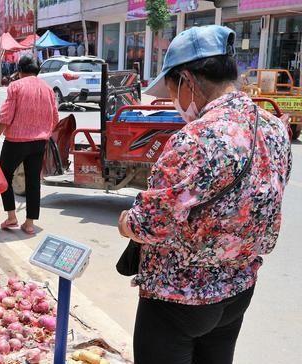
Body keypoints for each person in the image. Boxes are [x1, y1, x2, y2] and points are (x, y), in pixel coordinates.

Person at [117, 25, 291, 364]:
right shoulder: (273, 129)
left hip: (177, 299)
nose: (172, 101)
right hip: (238, 289)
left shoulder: (194, 140)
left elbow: (150, 223)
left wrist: (126, 222)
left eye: (170, 90)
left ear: (188, 81)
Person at [0, 55, 58, 235]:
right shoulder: (48, 89)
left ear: (19, 71)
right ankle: (30, 223)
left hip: (16, 142)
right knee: (33, 181)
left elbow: (5, 117)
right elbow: (55, 117)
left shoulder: (16, 86)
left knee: (4, 177)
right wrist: (44, 133)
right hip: (39, 142)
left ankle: (11, 217)